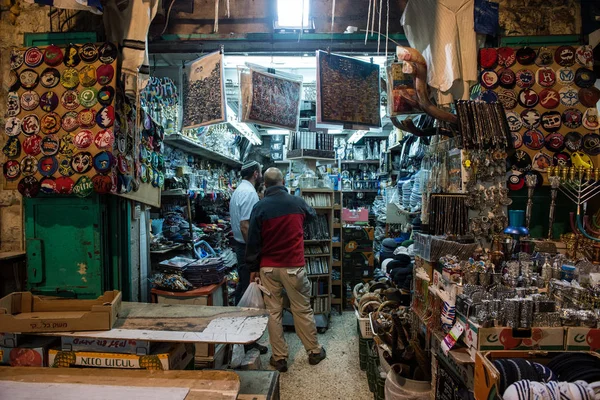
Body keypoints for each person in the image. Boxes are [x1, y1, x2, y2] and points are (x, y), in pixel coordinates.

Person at [246, 167, 326, 372]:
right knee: (302, 309)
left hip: (269, 268)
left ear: (265, 183)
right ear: (282, 182)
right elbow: (313, 216)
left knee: (273, 312)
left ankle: (280, 358)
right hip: (294, 266)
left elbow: (253, 242)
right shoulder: (297, 202)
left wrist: (253, 269)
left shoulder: (260, 207)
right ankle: (314, 352)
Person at [229, 160, 267, 354]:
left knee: (242, 290)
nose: (261, 175)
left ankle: (239, 338)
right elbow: (245, 225)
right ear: (255, 173)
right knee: (248, 294)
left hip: (239, 246)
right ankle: (246, 341)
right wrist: (254, 254)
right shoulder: (249, 193)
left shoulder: (238, 191)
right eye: (260, 172)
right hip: (245, 248)